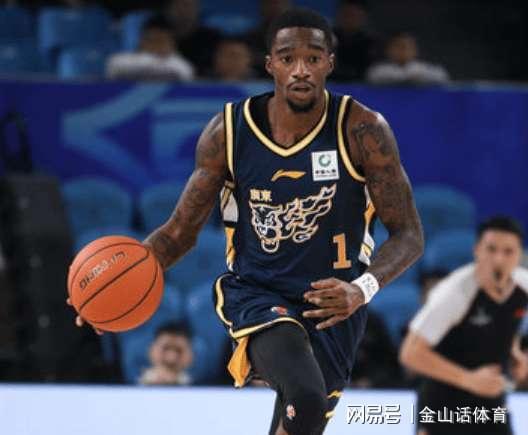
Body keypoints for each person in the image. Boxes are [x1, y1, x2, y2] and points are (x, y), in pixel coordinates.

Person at [72, 8, 424, 434]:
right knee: (305, 396)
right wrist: (110, 284)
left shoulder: (363, 130)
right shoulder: (228, 132)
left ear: (329, 63)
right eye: (288, 58)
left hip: (334, 307)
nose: (300, 69)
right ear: (270, 63)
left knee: (304, 418)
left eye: (313, 58)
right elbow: (179, 233)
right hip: (258, 294)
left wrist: (361, 289)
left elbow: (409, 235)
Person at [400, 216, 528, 435]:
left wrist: (515, 354)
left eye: (508, 251)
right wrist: (470, 380)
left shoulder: (522, 286)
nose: (499, 259)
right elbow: (410, 353)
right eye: (491, 249)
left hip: (490, 401)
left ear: (519, 255)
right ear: (477, 250)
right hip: (443, 405)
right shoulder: (454, 292)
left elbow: (503, 324)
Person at [105, 15, 194, 81]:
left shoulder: (181, 65)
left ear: (172, 44)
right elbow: (113, 67)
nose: (156, 45)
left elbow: (182, 71)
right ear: (141, 41)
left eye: (160, 41)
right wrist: (153, 59)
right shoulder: (119, 61)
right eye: (151, 40)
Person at [163, 0, 221, 77]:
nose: (182, 10)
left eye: (187, 5)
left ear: (197, 8)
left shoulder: (212, 37)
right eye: (178, 5)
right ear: (170, 8)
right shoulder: (157, 33)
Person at [366, 32, 449, 85]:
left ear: (415, 50)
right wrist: (406, 79)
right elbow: (373, 78)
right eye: (398, 46)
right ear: (389, 50)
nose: (403, 51)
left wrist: (420, 78)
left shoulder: (424, 69)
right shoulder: (379, 70)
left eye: (407, 47)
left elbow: (443, 77)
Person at [332, 0, 381, 81]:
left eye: (354, 15)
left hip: (364, 83)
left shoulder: (372, 41)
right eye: (346, 15)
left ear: (363, 16)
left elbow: (373, 71)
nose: (349, 19)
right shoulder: (327, 37)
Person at [139, 321, 194, 386]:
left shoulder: (202, 385)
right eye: (165, 348)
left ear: (191, 354)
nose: (171, 358)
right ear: (151, 350)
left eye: (179, 350)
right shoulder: (129, 384)